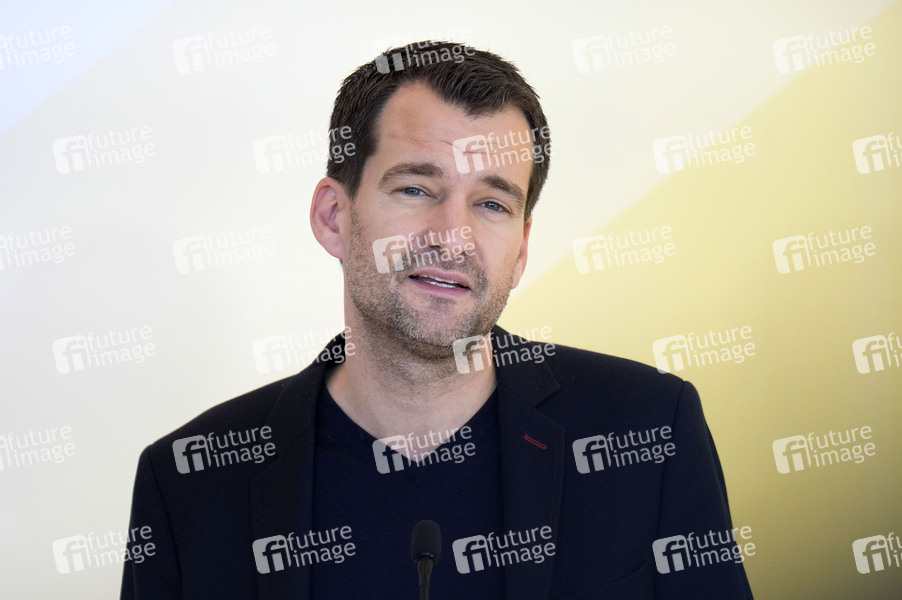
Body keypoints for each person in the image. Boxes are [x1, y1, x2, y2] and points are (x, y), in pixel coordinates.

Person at [121, 41, 753, 599]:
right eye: (416, 189)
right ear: (334, 217)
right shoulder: (187, 482)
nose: (453, 237)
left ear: (521, 248)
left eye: (492, 204)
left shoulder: (649, 427)